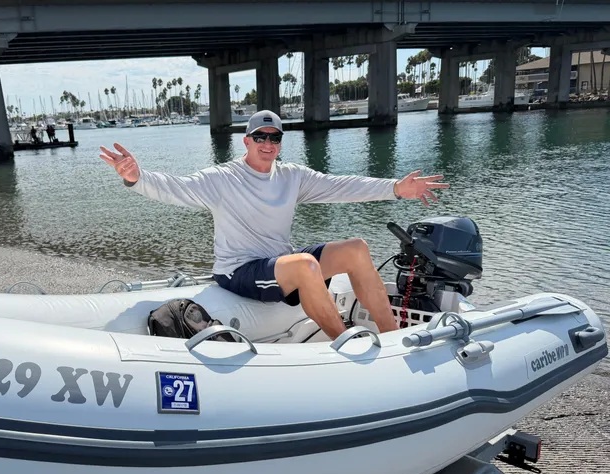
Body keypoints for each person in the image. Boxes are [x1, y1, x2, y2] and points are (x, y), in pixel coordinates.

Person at [99, 110, 448, 340]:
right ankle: (344, 340)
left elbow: (341, 186)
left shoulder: (291, 176)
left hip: (278, 262)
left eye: (275, 138)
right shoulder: (223, 178)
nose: (268, 144)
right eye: (260, 137)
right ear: (247, 141)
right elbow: (177, 188)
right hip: (239, 271)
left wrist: (395, 189)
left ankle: (391, 339)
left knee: (356, 248)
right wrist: (137, 177)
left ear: (280, 143)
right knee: (306, 264)